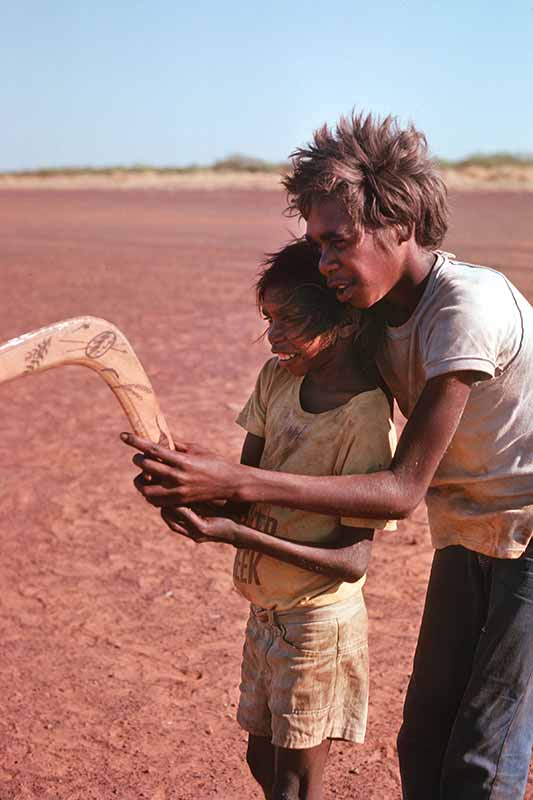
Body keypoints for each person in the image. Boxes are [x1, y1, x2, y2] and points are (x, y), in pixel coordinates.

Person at [122, 112, 533, 800]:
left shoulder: (464, 307)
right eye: (315, 244)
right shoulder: (372, 315)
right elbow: (310, 439)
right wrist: (201, 481)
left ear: (400, 223)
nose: (325, 263)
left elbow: (401, 490)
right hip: (469, 530)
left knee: (480, 758)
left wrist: (235, 480)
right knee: (426, 736)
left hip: (527, 529)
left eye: (337, 241)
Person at [147, 240, 396, 800]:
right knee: (262, 759)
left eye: (291, 320)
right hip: (266, 614)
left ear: (346, 319)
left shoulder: (364, 416)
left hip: (317, 626)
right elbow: (244, 488)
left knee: (293, 783)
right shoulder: (276, 380)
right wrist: (184, 484)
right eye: (268, 319)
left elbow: (352, 559)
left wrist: (235, 533)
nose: (274, 335)